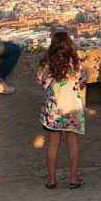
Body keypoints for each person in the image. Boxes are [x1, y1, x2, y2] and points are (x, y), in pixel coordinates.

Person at [38, 32, 87, 190]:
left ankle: (51, 179)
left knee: (53, 145)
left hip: (53, 109)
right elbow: (82, 83)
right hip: (72, 108)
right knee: (73, 144)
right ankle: (73, 178)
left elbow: (40, 80)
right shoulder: (76, 63)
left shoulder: (47, 63)